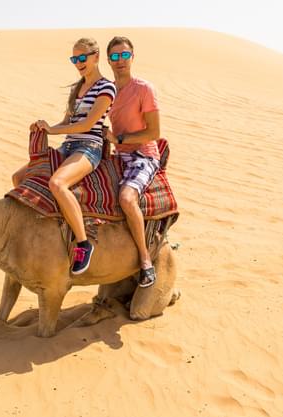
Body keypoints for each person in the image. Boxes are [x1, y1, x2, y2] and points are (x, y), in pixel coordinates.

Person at [12, 37, 116, 275]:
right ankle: (42, 229)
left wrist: (53, 130)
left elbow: (88, 124)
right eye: (74, 59)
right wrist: (44, 126)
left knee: (58, 183)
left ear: (96, 56)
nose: (79, 63)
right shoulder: (76, 88)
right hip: (68, 146)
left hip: (89, 147)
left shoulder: (106, 88)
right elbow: (69, 122)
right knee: (19, 178)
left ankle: (82, 243)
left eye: (83, 58)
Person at [105, 36, 161, 288]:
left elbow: (153, 133)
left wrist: (120, 138)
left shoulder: (144, 89)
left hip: (143, 155)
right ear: (108, 60)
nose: (120, 61)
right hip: (118, 154)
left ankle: (145, 261)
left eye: (124, 55)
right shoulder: (107, 90)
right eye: (115, 56)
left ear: (132, 57)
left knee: (126, 198)